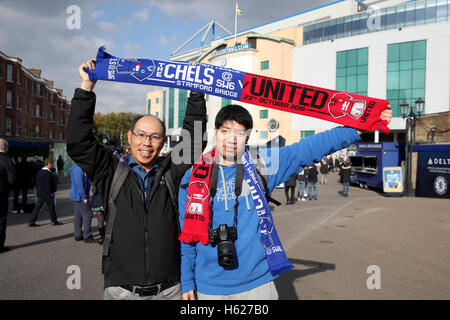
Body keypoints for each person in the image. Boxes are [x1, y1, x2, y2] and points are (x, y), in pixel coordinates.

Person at [179, 104, 392, 300]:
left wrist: (362, 124)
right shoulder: (192, 178)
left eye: (240, 132)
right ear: (216, 133)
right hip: (209, 287)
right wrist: (187, 281)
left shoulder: (263, 165)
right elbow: (186, 237)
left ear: (247, 137)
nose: (232, 138)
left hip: (258, 285)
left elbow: (311, 147)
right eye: (225, 131)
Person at [66, 58, 207, 300]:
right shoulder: (111, 171)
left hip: (169, 290)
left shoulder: (169, 171)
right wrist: (86, 88)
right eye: (141, 135)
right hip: (122, 291)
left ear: (163, 142)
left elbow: (193, 143)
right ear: (130, 137)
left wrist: (195, 92)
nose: (147, 142)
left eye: (154, 137)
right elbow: (79, 143)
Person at [28, 158, 62, 227]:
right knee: (51, 207)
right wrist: (51, 192)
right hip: (48, 193)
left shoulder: (39, 172)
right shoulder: (48, 173)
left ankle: (31, 221)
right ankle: (54, 221)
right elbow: (48, 184)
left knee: (37, 208)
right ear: (48, 164)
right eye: (51, 164)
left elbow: (36, 183)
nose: (52, 165)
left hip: (40, 193)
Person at [0, 139, 18, 253]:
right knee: (1, 220)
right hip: (1, 193)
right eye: (7, 147)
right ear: (3, 147)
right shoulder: (6, 159)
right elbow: (13, 178)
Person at [70, 163, 94, 243]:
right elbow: (79, 184)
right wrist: (84, 197)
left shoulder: (76, 167)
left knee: (78, 215)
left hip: (76, 195)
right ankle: (87, 236)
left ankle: (78, 235)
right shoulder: (78, 168)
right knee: (88, 214)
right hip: (80, 196)